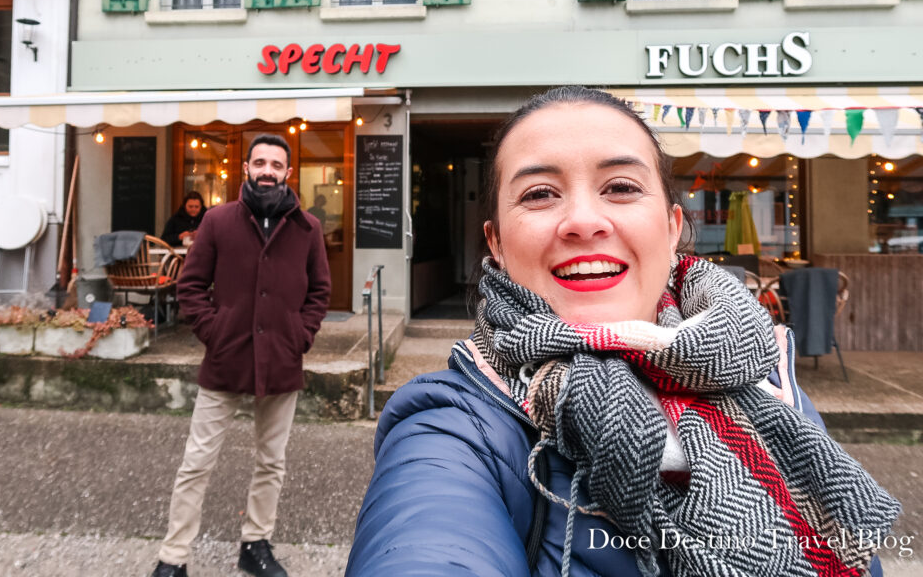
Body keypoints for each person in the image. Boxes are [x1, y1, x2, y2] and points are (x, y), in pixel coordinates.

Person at [346, 87, 899, 577]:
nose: (584, 221)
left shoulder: (763, 375)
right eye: (539, 194)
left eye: (620, 187)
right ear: (496, 243)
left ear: (673, 227)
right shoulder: (454, 426)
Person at [151, 133, 331, 577]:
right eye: (260, 163)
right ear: (246, 168)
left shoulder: (307, 228)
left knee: (271, 462)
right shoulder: (218, 221)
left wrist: (299, 336)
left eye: (276, 164)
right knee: (197, 462)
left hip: (282, 360)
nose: (268, 171)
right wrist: (214, 332)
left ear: (288, 173)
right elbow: (191, 286)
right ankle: (174, 557)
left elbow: (320, 292)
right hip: (225, 358)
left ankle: (255, 544)